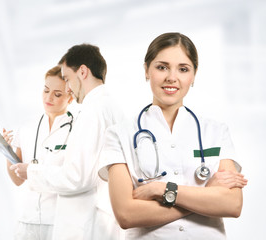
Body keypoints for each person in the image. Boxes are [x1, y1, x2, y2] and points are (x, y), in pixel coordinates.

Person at [98, 32, 248, 239]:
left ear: (194, 75)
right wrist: (205, 197)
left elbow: (232, 205)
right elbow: (126, 215)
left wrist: (162, 190)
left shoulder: (216, 131)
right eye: (162, 67)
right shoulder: (119, 134)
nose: (172, 77)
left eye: (183, 69)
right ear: (146, 70)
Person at [10, 44, 125, 239]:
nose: (68, 87)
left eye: (67, 79)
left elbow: (76, 177)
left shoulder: (92, 111)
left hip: (87, 223)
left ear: (82, 71)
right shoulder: (109, 106)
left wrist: (31, 171)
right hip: (100, 220)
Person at [3, 65, 74, 240]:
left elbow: (74, 178)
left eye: (57, 94)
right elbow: (17, 179)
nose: (48, 98)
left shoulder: (77, 130)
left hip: (59, 222)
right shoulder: (26, 127)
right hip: (27, 221)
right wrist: (6, 150)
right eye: (46, 90)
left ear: (70, 97)